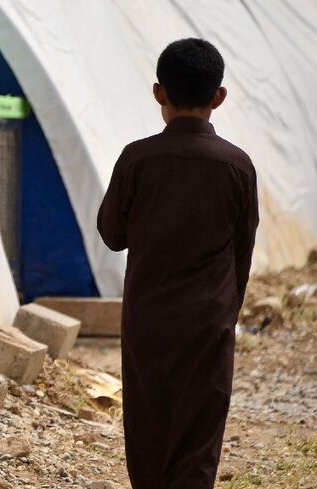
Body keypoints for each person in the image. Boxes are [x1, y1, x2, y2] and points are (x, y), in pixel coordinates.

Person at [97, 38, 259, 489]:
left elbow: (112, 235)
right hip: (209, 321)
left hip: (148, 318)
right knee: (198, 435)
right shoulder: (238, 166)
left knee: (149, 427)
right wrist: (228, 311)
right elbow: (242, 250)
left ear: (159, 93)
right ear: (219, 97)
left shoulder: (137, 158)